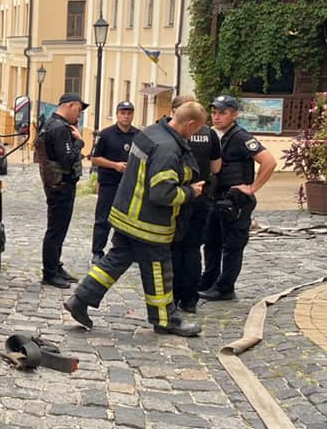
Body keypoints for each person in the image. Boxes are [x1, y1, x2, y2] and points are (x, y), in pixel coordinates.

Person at [63, 101, 208, 337]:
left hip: (127, 214)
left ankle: (80, 299)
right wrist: (192, 192)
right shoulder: (167, 150)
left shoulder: (151, 132)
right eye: (197, 129)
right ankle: (166, 320)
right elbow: (163, 193)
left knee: (115, 260)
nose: (197, 134)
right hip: (149, 223)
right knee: (160, 270)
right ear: (190, 124)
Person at [199, 95, 276, 301]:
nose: (216, 117)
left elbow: (268, 161)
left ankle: (225, 287)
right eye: (214, 112)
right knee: (211, 241)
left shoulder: (241, 137)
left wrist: (252, 188)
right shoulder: (217, 136)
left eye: (222, 113)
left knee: (232, 246)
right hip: (217, 197)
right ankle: (209, 280)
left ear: (234, 114)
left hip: (235, 201)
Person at [169, 95, 221, 313]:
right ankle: (189, 299)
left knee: (172, 249)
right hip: (201, 198)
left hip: (175, 198)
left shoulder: (169, 135)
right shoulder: (209, 134)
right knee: (192, 249)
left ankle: (171, 296)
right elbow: (216, 168)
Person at [35, 94, 87, 288]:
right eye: (79, 110)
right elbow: (67, 158)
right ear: (70, 105)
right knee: (56, 231)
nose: (79, 116)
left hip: (57, 184)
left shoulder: (51, 124)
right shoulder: (59, 129)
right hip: (60, 186)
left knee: (58, 230)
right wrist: (80, 142)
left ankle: (55, 266)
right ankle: (49, 273)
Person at [90, 101, 139, 263]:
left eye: (129, 113)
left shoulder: (138, 135)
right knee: (103, 218)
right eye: (123, 113)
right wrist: (114, 165)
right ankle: (97, 251)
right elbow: (95, 158)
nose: (126, 116)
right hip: (110, 182)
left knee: (128, 219)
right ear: (117, 114)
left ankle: (125, 250)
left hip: (130, 184)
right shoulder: (106, 134)